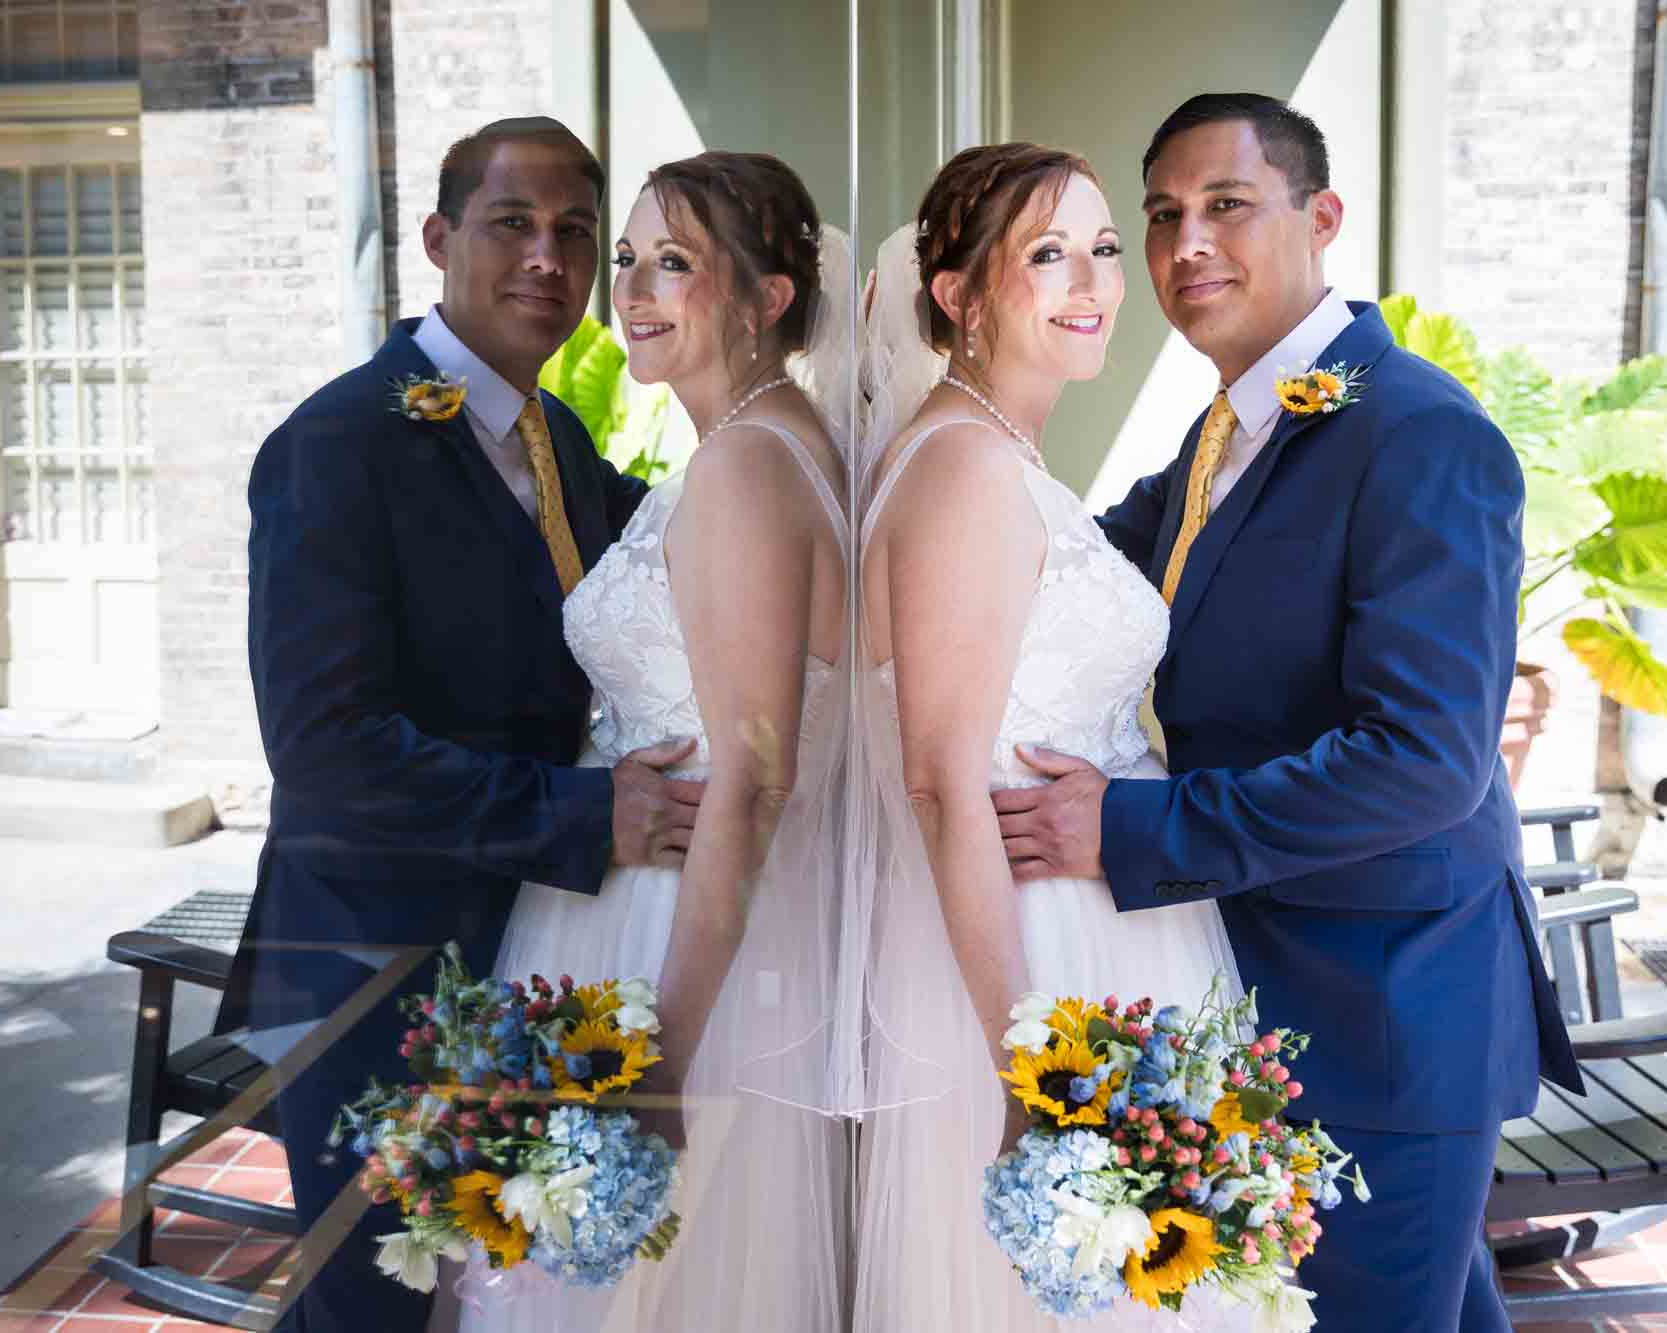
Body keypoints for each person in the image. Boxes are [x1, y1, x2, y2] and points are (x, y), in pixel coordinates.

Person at [993, 93, 1583, 1332]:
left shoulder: (1420, 435)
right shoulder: (1229, 427)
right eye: (1159, 217)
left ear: (1319, 219)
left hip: (1386, 1015)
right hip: (1272, 995)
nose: (1182, 245)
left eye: (1224, 206)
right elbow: (1073, 575)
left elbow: (1423, 762)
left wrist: (1131, 831)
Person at [228, 117, 699, 1333]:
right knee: (371, 1306)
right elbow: (328, 757)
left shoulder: (560, 441)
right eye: (512, 224)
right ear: (439, 240)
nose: (548, 257)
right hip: (366, 968)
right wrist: (593, 813)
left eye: (574, 234)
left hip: (520, 949)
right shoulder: (334, 447)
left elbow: (684, 554)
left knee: (479, 1297)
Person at [447, 150, 853, 1333]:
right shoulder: (757, 444)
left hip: (668, 942)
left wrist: (658, 1059)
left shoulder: (742, 467)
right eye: (626, 260)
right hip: (650, 920)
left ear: (767, 297)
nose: (629, 289)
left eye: (673, 262)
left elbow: (757, 773)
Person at [851, 142, 1253, 1332]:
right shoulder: (963, 469)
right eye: (1045, 254)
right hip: (1035, 954)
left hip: (1104, 932)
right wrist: (1032, 1066)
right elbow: (936, 781)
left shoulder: (1004, 452)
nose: (1091, 283)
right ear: (958, 295)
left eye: (1102, 249)